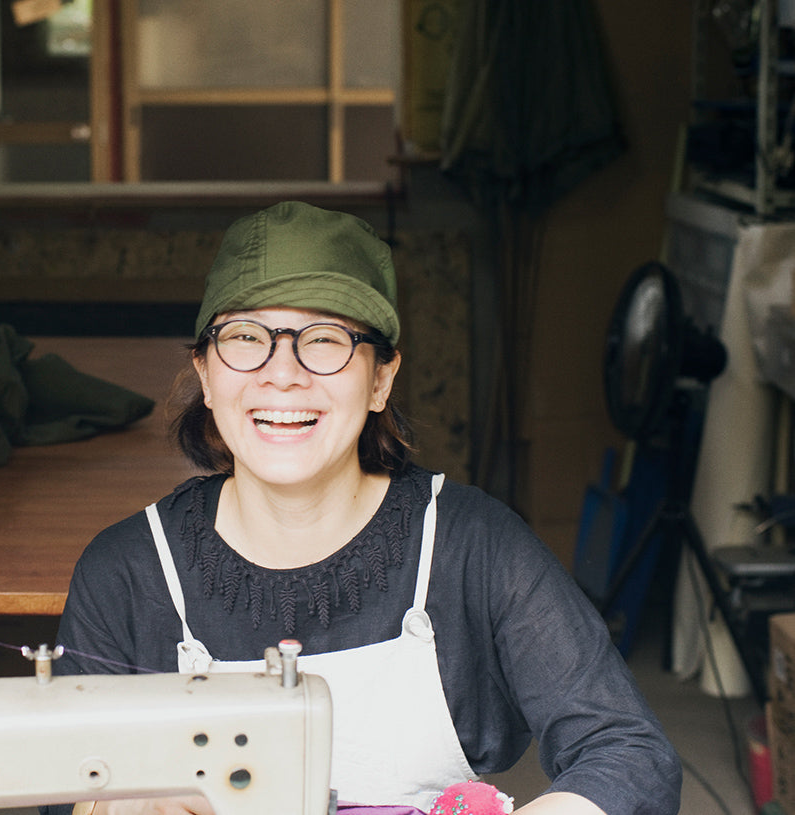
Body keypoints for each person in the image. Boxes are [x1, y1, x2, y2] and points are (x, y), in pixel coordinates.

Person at [50, 201, 681, 815]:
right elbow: (65, 788)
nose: (283, 374)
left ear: (380, 378)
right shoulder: (130, 572)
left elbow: (630, 754)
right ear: (208, 374)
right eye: (246, 338)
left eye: (323, 340)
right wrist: (113, 806)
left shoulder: (470, 548)